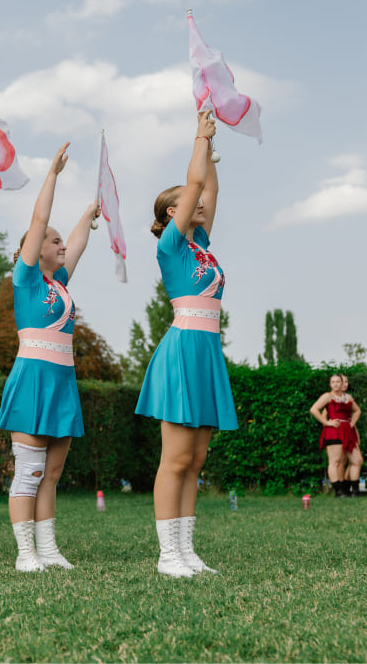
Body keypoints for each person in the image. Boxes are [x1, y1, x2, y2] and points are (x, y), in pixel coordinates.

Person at [136, 111, 237, 577]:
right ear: (169, 215)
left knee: (196, 459)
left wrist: (210, 148)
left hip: (207, 352)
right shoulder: (171, 247)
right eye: (186, 202)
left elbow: (208, 187)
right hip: (181, 351)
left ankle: (187, 550)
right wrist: (198, 135)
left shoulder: (201, 245)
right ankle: (167, 555)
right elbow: (197, 185)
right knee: (175, 459)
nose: (197, 204)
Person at [0, 144, 101, 573]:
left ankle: (49, 549)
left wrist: (89, 213)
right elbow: (39, 221)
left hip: (62, 380)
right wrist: (53, 175)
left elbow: (78, 245)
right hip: (33, 379)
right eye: (53, 241)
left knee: (52, 473)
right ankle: (26, 553)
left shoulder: (59, 284)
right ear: (34, 248)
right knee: (29, 472)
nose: (61, 245)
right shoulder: (26, 279)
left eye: (60, 241)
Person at [310, 375, 361, 497]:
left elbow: (357, 411)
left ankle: (355, 491)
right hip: (334, 431)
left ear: (342, 383)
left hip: (347, 431)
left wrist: (352, 423)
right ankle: (339, 491)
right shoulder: (327, 396)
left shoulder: (348, 397)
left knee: (357, 459)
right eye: (333, 382)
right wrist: (326, 422)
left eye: (338, 381)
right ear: (330, 384)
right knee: (335, 461)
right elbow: (314, 409)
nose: (335, 384)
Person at [339, 374, 364, 496]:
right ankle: (342, 489)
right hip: (338, 433)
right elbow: (325, 416)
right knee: (342, 461)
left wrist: (355, 430)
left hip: (350, 431)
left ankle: (351, 487)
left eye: (346, 382)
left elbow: (353, 415)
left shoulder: (348, 397)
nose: (345, 384)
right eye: (343, 382)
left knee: (357, 460)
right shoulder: (332, 398)